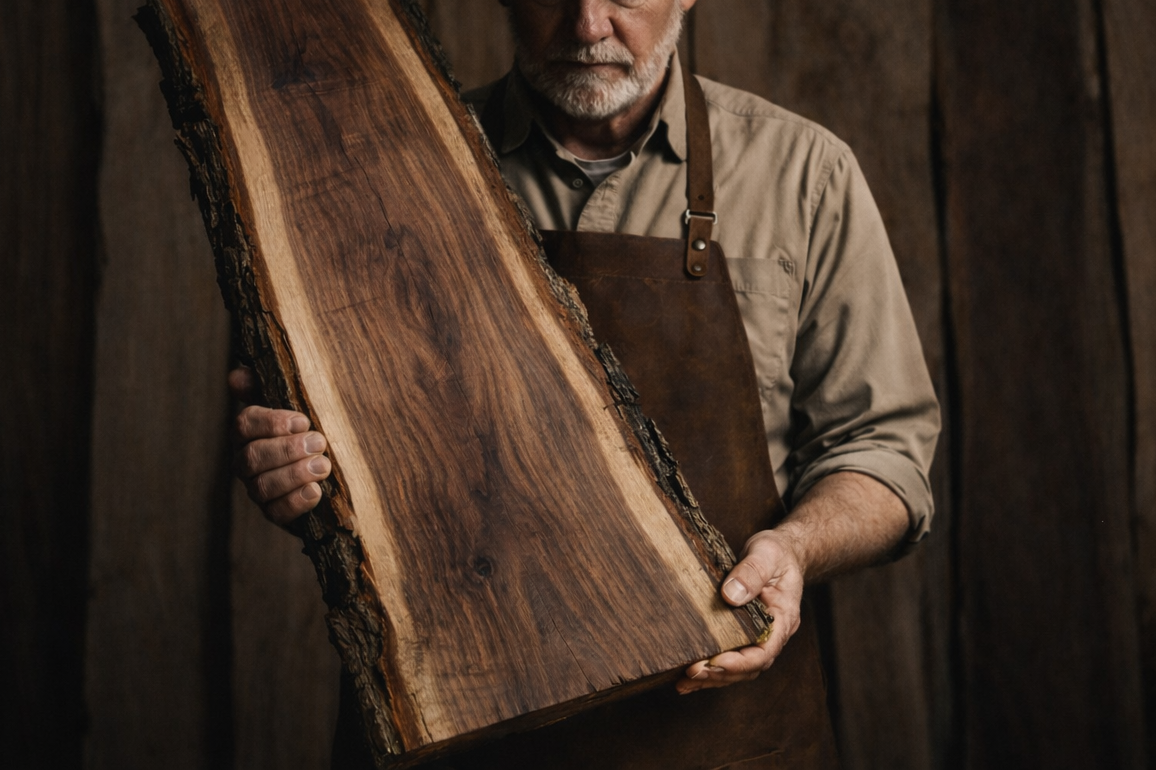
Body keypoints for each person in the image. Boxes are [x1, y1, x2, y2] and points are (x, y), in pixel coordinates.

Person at [231, 0, 939, 766]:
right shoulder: (380, 168)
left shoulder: (803, 175)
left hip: (720, 734)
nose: (588, 24)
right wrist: (293, 469)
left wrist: (796, 548)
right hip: (460, 728)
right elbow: (320, 434)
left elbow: (885, 450)